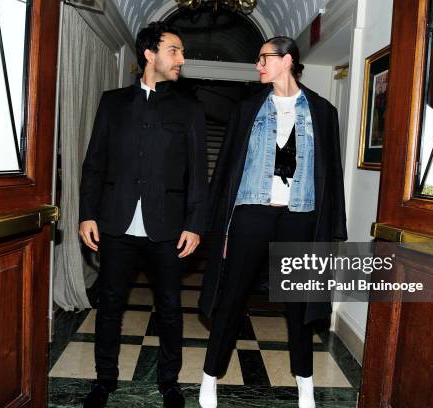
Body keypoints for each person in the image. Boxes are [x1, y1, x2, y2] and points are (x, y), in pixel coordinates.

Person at [198, 36, 347, 408]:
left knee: (298, 305)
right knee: (231, 300)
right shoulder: (247, 109)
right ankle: (210, 377)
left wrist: (331, 231)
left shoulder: (323, 111)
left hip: (300, 215)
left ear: (287, 60)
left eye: (264, 58)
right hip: (252, 211)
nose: (258, 65)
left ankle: (305, 384)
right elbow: (227, 171)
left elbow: (332, 177)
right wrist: (223, 226)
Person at [79, 21, 208, 408]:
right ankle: (104, 380)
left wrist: (195, 225)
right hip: (115, 225)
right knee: (110, 307)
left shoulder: (189, 109)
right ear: (149, 54)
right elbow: (94, 165)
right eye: (174, 51)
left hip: (168, 229)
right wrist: (87, 214)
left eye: (182, 52)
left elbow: (199, 174)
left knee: (169, 308)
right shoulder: (112, 103)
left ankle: (169, 382)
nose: (181, 59)